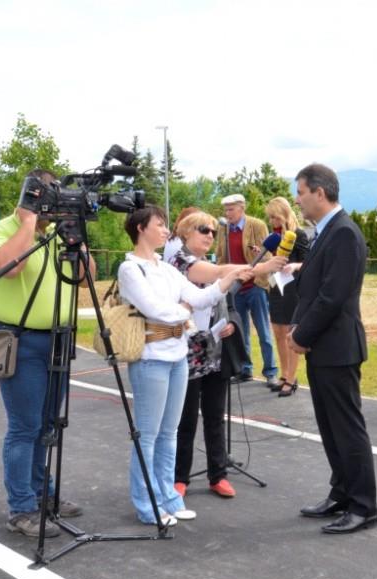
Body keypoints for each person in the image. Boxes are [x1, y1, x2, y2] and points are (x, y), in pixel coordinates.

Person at [118, 205, 248, 526]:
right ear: (140, 229)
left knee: (169, 433)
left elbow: (199, 297)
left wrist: (227, 279)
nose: (166, 231)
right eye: (159, 225)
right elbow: (155, 309)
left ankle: (169, 498)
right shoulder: (130, 269)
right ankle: (148, 504)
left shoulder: (165, 268)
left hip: (178, 355)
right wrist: (184, 310)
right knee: (148, 435)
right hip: (150, 357)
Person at [0, 169, 93, 538]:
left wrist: (77, 240)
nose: (52, 204)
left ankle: (42, 492)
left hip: (58, 340)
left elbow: (86, 278)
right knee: (25, 426)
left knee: (47, 425)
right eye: (46, 196)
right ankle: (21, 507)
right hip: (20, 341)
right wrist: (28, 220)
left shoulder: (58, 235)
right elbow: (8, 268)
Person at [287, 163, 377, 535]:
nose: (297, 200)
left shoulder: (343, 233)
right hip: (323, 347)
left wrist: (301, 335)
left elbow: (332, 296)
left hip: (337, 348)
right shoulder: (324, 232)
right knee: (330, 427)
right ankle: (341, 493)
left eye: (301, 193)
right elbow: (311, 287)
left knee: (347, 429)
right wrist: (298, 326)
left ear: (319, 193)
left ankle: (363, 506)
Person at [168, 211, 258, 501]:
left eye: (213, 232)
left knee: (215, 417)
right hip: (188, 352)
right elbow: (216, 277)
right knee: (185, 420)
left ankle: (218, 475)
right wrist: (260, 266)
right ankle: (179, 477)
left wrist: (230, 322)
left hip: (215, 351)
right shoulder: (178, 263)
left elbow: (227, 302)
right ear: (186, 232)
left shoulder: (212, 263)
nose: (209, 235)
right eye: (203, 230)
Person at [214, 193, 278, 386]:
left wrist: (259, 256)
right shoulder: (224, 228)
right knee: (241, 332)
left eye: (231, 209)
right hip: (235, 288)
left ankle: (271, 372)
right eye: (226, 210)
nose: (227, 213)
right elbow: (220, 257)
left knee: (263, 331)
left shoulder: (257, 225)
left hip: (255, 285)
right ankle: (245, 370)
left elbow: (268, 257)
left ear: (242, 209)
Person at [264, 196, 310, 397]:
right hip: (275, 286)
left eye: (275, 217)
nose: (272, 221)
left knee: (289, 332)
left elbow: (309, 262)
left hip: (292, 289)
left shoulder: (299, 234)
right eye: (270, 218)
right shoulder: (274, 236)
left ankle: (291, 378)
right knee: (278, 331)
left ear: (284, 215)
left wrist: (294, 266)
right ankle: (284, 374)